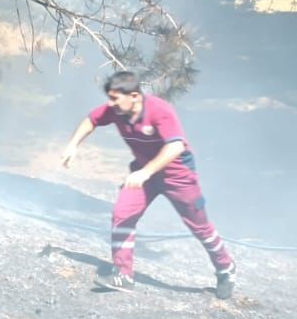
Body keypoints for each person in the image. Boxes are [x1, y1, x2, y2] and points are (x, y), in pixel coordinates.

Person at [60, 71, 237, 298]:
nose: (110, 104)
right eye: (109, 98)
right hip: (144, 174)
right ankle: (123, 275)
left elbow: (176, 146)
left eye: (115, 98)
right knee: (122, 213)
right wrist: (72, 145)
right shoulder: (115, 111)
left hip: (178, 176)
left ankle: (225, 267)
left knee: (199, 226)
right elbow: (91, 120)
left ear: (134, 95)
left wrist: (145, 172)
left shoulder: (160, 110)